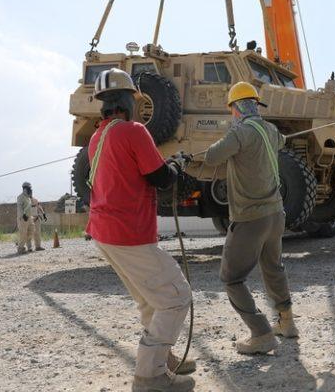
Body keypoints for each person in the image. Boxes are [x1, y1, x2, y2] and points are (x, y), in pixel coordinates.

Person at [86, 68, 195, 392]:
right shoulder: (133, 131)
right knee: (176, 297)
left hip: (105, 233)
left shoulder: (97, 137)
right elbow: (160, 179)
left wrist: (169, 167)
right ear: (127, 101)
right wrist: (177, 165)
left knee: (150, 301)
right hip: (127, 232)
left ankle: (163, 358)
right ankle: (149, 376)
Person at [203, 81, 298, 355]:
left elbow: (211, 157)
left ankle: (261, 333)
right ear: (255, 105)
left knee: (232, 279)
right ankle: (287, 323)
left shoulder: (240, 132)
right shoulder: (270, 130)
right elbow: (282, 140)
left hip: (250, 218)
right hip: (275, 214)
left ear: (235, 109)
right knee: (273, 267)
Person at [16, 182, 34, 254]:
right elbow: (19, 208)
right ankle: (20, 248)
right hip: (23, 218)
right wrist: (23, 216)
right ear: (25, 188)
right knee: (23, 234)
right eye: (29, 188)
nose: (30, 189)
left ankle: (29, 247)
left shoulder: (28, 198)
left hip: (29, 218)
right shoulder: (20, 197)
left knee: (31, 232)